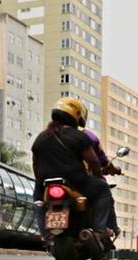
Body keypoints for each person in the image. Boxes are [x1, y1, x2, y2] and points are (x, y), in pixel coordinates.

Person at [31, 97, 116, 241]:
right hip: (76, 182)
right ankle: (99, 230)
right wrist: (99, 177)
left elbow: (35, 165)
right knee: (103, 190)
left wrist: (41, 182)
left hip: (45, 183)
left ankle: (45, 234)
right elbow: (94, 161)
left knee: (39, 203)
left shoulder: (41, 137)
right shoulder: (79, 136)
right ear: (76, 117)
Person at [80, 127, 122, 237]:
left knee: (39, 200)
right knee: (104, 189)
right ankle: (103, 228)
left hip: (52, 181)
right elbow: (98, 161)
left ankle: (45, 233)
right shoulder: (87, 136)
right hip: (80, 180)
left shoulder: (48, 136)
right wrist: (101, 175)